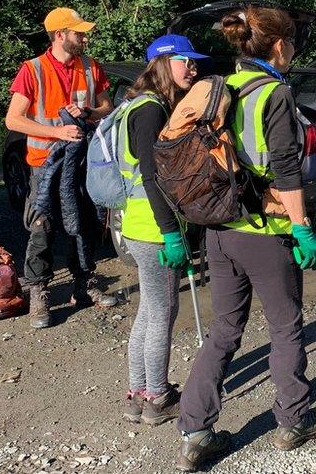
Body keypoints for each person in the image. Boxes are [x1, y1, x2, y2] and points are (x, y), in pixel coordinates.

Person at [175, 6, 316, 472]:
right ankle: (294, 420)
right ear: (279, 46)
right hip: (266, 233)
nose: (294, 50)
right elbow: (285, 168)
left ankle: (196, 431)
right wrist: (302, 227)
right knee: (285, 327)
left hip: (220, 230)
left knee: (224, 330)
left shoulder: (222, 87)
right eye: (293, 43)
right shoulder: (275, 93)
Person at [5, 7, 117, 329]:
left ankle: (84, 285)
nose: (84, 37)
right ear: (59, 35)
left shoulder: (90, 66)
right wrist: (56, 132)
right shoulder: (33, 70)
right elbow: (13, 119)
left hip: (83, 162)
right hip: (44, 165)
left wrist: (88, 110)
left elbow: (106, 107)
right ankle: (39, 291)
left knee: (85, 223)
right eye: (78, 32)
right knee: (43, 226)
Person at [120, 35, 207, 426]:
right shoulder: (151, 110)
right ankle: (157, 397)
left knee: (148, 311)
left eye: (194, 62)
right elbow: (152, 178)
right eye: (185, 61)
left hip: (138, 227)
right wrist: (172, 232)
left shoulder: (136, 105)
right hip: (154, 230)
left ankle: (137, 394)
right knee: (162, 314)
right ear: (162, 64)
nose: (193, 68)